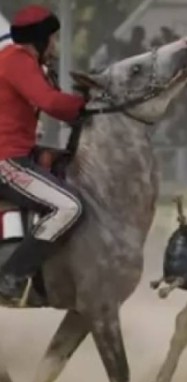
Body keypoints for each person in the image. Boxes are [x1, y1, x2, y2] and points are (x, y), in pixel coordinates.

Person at [0, 5, 87, 306]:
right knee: (70, 207)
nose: (55, 45)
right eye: (53, 39)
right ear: (40, 40)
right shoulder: (17, 60)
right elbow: (49, 101)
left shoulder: (24, 62)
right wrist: (87, 105)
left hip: (16, 152)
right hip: (6, 160)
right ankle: (10, 277)